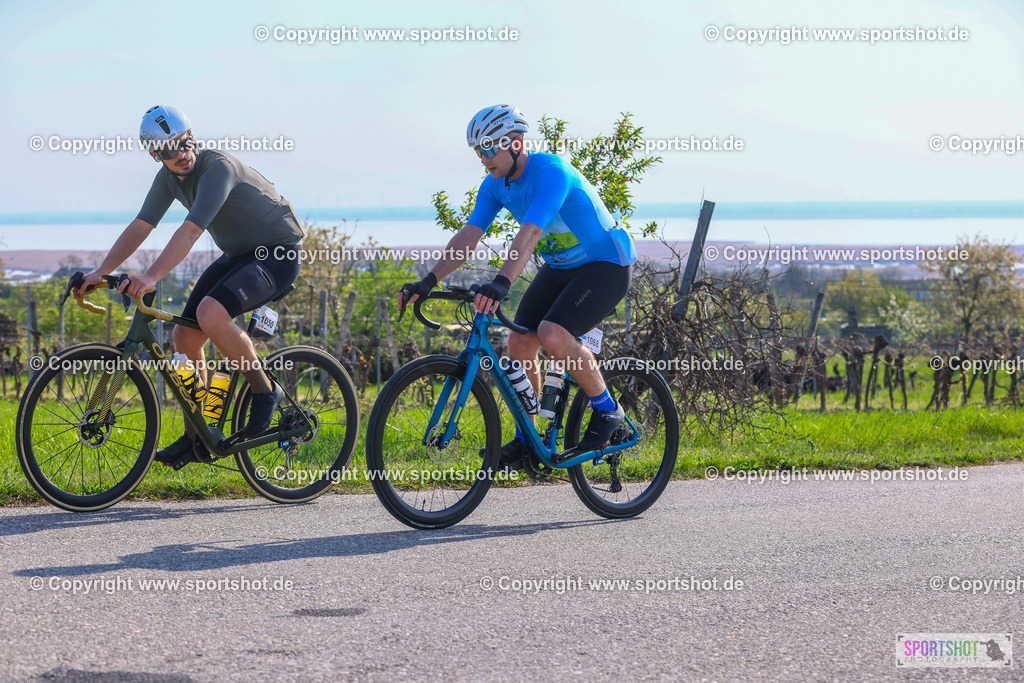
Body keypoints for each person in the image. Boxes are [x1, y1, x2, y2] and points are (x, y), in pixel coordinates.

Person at [399, 104, 636, 471]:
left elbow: (531, 232)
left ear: (515, 144)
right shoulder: (495, 186)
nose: (483, 159)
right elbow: (469, 235)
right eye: (478, 151)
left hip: (604, 264)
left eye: (490, 149)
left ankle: (608, 411)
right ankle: (529, 440)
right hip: (561, 267)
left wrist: (500, 282)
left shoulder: (551, 173)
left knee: (553, 333)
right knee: (520, 341)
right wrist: (430, 280)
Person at [75, 105, 304, 468]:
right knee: (185, 338)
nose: (180, 154)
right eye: (168, 151)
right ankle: (198, 434)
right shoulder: (168, 180)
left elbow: (191, 230)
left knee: (210, 315)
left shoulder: (217, 169)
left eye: (185, 143)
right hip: (240, 255)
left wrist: (150, 277)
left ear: (192, 136)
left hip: (277, 254)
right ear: (155, 156)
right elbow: (141, 225)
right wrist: (102, 271)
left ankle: (266, 391)